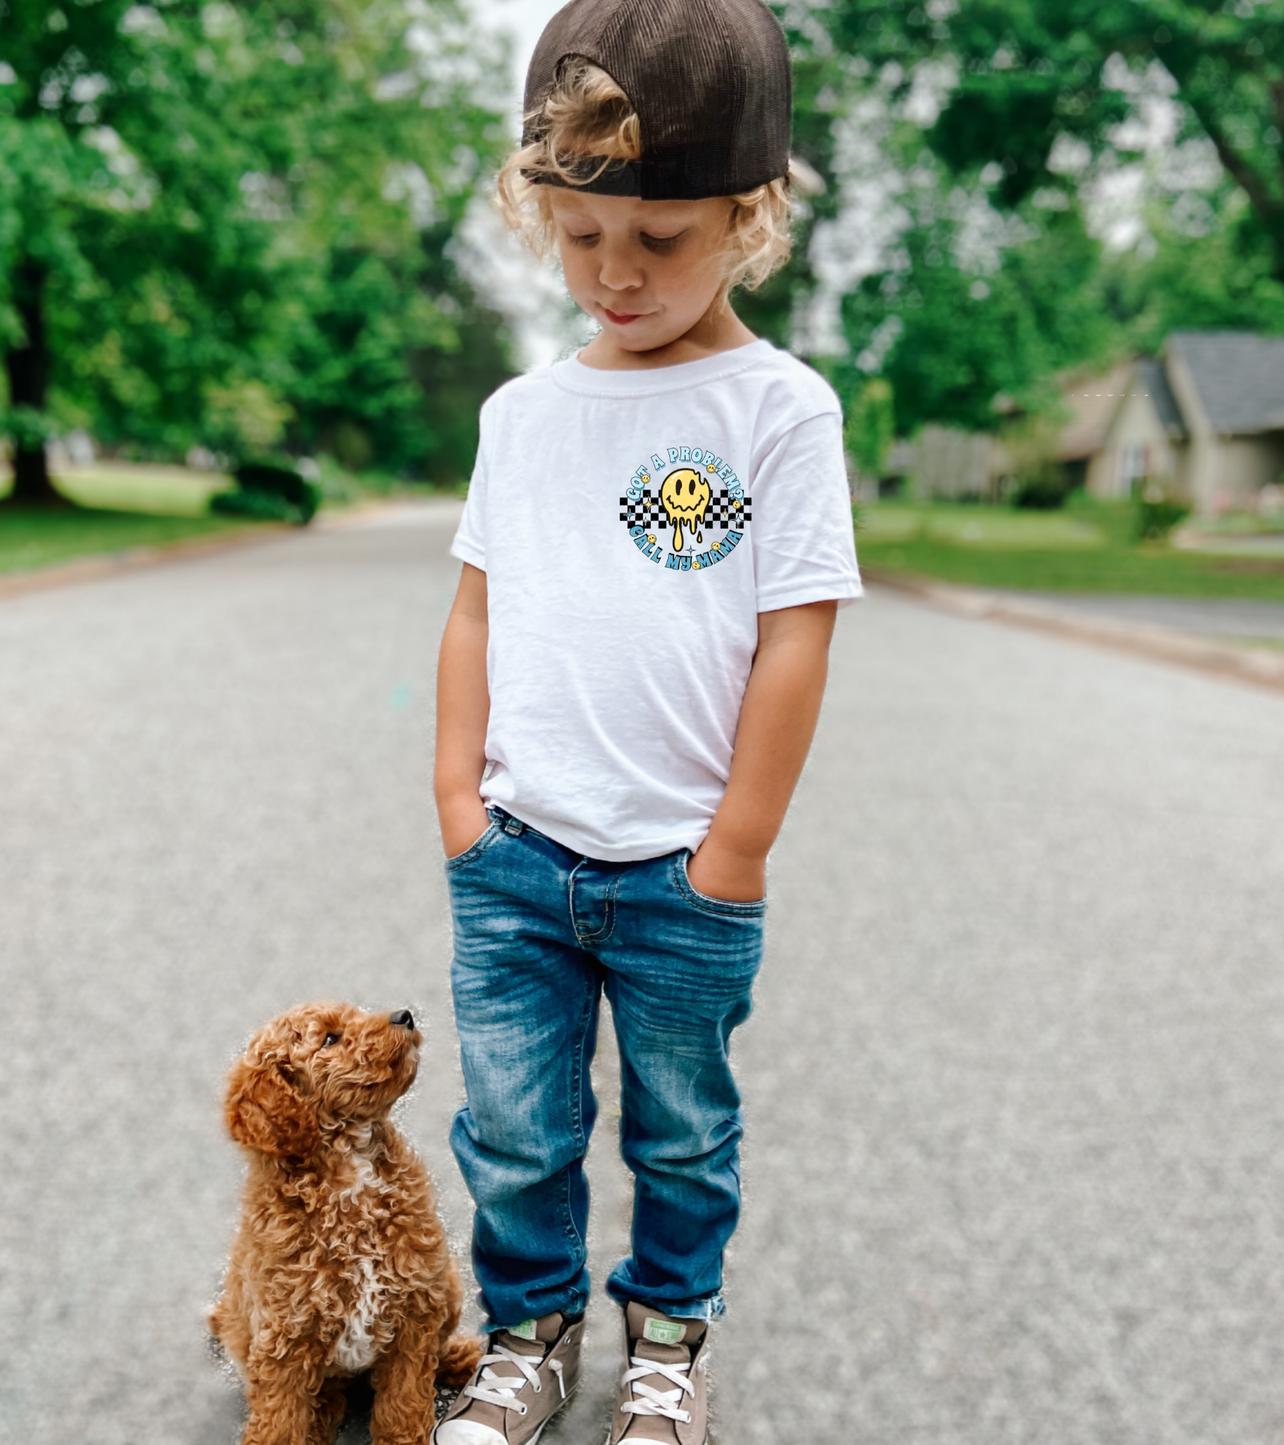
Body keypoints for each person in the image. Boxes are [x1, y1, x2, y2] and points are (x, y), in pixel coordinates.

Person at [431, 1, 861, 1440]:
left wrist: (735, 848)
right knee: (513, 1129)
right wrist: (456, 801)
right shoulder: (521, 416)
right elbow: (477, 611)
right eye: (577, 236)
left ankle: (668, 1340)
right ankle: (529, 1334)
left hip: (684, 871)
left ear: (749, 217)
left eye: (659, 240)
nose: (613, 275)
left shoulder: (778, 412)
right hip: (516, 857)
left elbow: (796, 635)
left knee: (682, 1134)